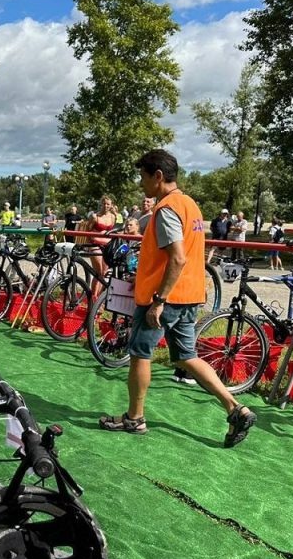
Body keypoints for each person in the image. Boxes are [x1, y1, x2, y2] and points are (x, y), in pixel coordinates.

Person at [98, 149, 256, 447]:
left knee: (140, 353)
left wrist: (159, 300)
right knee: (187, 356)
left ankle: (134, 417)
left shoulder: (166, 209)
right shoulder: (190, 205)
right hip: (189, 295)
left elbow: (178, 257)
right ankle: (235, 408)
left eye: (143, 177)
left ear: (158, 176)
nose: (140, 183)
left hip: (164, 298)